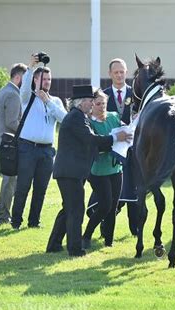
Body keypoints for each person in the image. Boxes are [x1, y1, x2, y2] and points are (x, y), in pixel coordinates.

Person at [46, 85, 132, 257]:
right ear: (81, 102)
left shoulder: (79, 117)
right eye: (90, 101)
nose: (92, 104)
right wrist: (116, 137)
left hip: (70, 171)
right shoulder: (77, 117)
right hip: (71, 172)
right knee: (75, 210)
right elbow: (92, 140)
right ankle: (75, 249)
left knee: (68, 209)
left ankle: (54, 244)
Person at [10, 54, 67, 229]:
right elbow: (24, 88)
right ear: (36, 80)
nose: (48, 82)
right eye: (44, 78)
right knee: (23, 187)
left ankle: (34, 221)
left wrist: (48, 102)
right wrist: (31, 67)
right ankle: (16, 221)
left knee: (41, 188)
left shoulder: (55, 101)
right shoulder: (27, 97)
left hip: (47, 151)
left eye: (50, 79)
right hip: (27, 148)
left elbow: (64, 119)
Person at [83, 89, 123, 249]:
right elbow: (95, 145)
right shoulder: (89, 123)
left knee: (114, 205)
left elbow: (122, 134)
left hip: (115, 167)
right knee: (105, 204)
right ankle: (86, 236)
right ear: (92, 105)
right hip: (97, 170)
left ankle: (109, 240)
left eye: (103, 103)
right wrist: (113, 142)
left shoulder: (114, 117)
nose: (101, 107)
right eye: (98, 104)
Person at [102, 58, 138, 235]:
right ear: (110, 74)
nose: (119, 75)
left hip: (133, 151)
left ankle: (135, 228)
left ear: (126, 72)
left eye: (122, 71)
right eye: (115, 72)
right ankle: (106, 229)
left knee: (133, 187)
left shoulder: (136, 93)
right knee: (109, 192)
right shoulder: (103, 96)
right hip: (111, 152)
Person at [0, 63, 27, 225]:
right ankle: (3, 215)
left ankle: (1, 206)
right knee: (10, 180)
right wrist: (27, 131)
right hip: (9, 141)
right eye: (25, 80)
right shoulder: (13, 94)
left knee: (10, 179)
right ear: (18, 77)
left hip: (2, 139)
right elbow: (12, 122)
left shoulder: (3, 90)